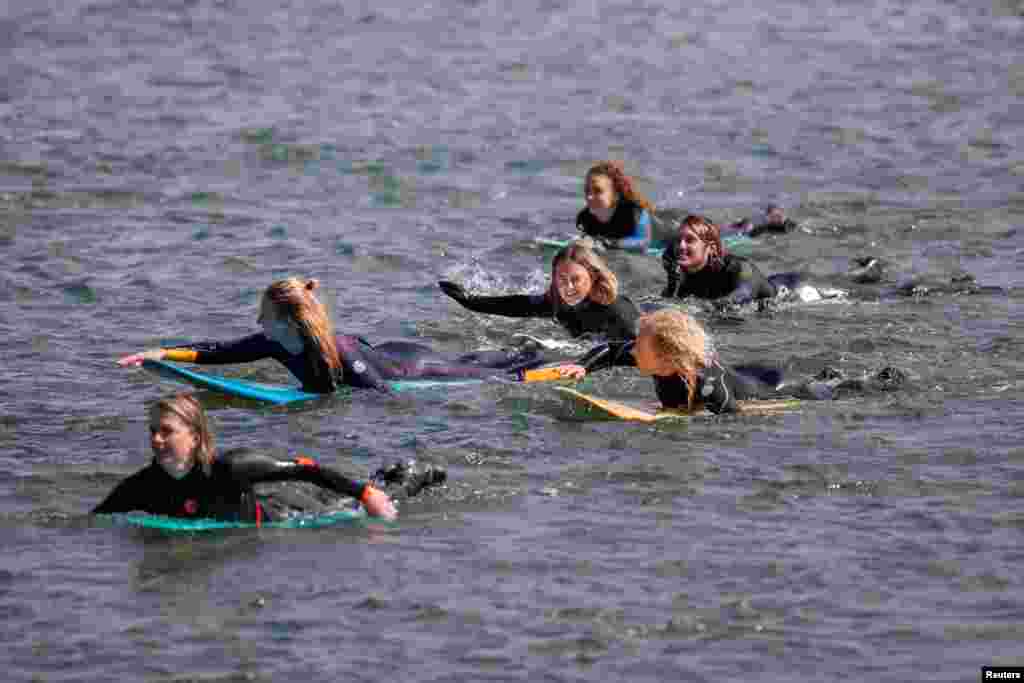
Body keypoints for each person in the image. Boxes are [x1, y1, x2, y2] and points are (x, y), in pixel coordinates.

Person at [117, 277, 550, 392]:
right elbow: (215, 351)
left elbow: (383, 392)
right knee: (471, 361)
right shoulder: (272, 342)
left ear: (289, 321)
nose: (258, 323)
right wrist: (159, 353)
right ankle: (525, 352)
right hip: (385, 354)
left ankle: (536, 362)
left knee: (472, 371)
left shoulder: (335, 350)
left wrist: (526, 383)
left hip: (407, 368)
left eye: (265, 316)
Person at [90, 393, 447, 523]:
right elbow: (91, 523)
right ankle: (384, 473)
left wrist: (368, 496)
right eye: (152, 430)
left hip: (292, 509)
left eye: (166, 431)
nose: (155, 439)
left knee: (368, 505)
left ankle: (412, 476)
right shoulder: (141, 487)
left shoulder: (230, 468)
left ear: (195, 436)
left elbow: (307, 470)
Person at [556, 308, 784, 414]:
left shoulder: (708, 385)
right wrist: (582, 366)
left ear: (667, 358)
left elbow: (738, 420)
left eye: (639, 347)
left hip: (770, 395)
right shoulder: (650, 355)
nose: (633, 352)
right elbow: (611, 350)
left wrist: (693, 417)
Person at [438, 241, 640, 341]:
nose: (568, 287)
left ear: (593, 277)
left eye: (576, 280)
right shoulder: (557, 302)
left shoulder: (616, 311)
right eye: (561, 279)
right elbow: (518, 305)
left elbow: (642, 347)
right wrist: (470, 301)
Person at [661, 214, 799, 305]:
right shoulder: (678, 270)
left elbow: (741, 296)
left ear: (711, 248)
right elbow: (669, 300)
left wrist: (703, 310)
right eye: (678, 240)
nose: (680, 246)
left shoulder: (738, 268)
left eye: (689, 240)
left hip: (795, 291)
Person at [575, 161, 656, 251]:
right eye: (587, 190)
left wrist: (607, 243)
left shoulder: (634, 213)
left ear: (616, 194)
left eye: (598, 191)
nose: (589, 197)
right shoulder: (583, 218)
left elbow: (644, 242)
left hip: (667, 230)